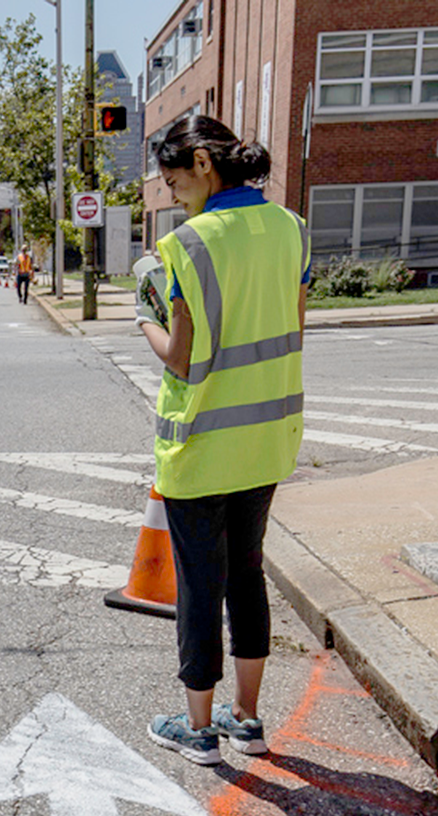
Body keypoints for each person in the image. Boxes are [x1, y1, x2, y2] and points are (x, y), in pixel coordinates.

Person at [133, 115, 308, 766]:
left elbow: (180, 358)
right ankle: (250, 720)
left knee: (200, 587)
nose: (175, 195)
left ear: (204, 163)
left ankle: (199, 729)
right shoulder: (292, 229)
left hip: (203, 443)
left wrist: (144, 320)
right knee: (248, 574)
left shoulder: (190, 244)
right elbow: (293, 326)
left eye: (175, 181)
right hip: (268, 437)